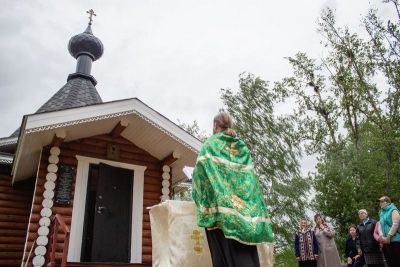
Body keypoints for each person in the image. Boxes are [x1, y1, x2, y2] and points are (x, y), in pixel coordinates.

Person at [192, 112, 274, 267]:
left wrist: (200, 199)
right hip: (244, 216)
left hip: (220, 215)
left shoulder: (210, 145)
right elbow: (251, 181)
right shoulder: (242, 146)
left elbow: (199, 177)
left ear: (215, 126)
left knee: (223, 259)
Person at [377, 196, 400, 267]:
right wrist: (381, 236)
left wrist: (388, 237)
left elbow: (395, 224)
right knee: (393, 261)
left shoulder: (393, 210)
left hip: (396, 239)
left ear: (388, 202)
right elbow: (380, 226)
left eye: (382, 201)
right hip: (387, 241)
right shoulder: (381, 213)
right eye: (379, 202)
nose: (380, 203)